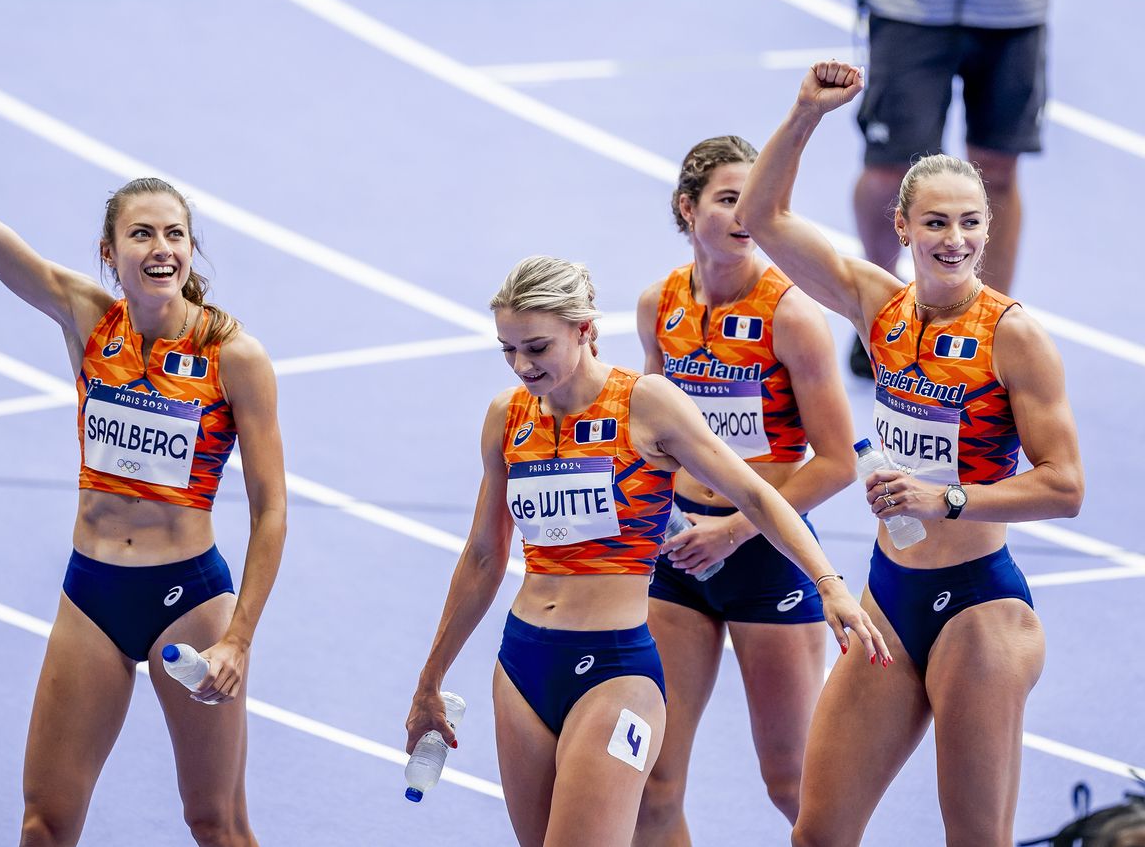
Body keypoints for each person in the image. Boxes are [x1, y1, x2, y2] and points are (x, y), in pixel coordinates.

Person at [0, 8, 287, 847]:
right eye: (140, 233)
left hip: (191, 599)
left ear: (192, 250)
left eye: (175, 234)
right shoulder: (85, 317)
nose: (161, 247)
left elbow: (271, 508)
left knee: (216, 822)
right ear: (109, 253)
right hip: (91, 592)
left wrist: (241, 639)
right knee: (43, 824)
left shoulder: (234, 355)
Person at [405, 255, 887, 847]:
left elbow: (758, 496)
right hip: (523, 662)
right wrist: (430, 679)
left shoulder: (646, 403)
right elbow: (484, 554)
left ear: (584, 330)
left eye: (536, 346)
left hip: (615, 669)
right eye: (508, 350)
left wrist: (829, 583)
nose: (522, 365)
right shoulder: (508, 416)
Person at [737, 60, 1084, 847]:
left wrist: (948, 498)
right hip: (890, 597)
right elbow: (762, 217)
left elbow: (1066, 487)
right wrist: (804, 114)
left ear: (988, 229)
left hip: (979, 609)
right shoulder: (877, 303)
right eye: (935, 223)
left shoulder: (1015, 338)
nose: (953, 240)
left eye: (968, 222)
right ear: (902, 227)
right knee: (817, 833)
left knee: (975, 840)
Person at [632, 136, 857, 843]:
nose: (744, 215)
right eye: (728, 199)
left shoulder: (790, 316)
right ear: (686, 207)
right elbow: (651, 434)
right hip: (679, 558)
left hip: (767, 559)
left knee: (792, 783)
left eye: (755, 200)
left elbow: (838, 462)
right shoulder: (659, 305)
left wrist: (732, 528)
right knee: (654, 782)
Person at [848, 0, 1048, 376]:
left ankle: (986, 326)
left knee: (998, 170)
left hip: (1013, 0)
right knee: (890, 170)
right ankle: (879, 306)